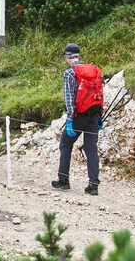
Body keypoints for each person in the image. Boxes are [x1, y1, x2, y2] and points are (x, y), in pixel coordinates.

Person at [52, 43, 103, 195]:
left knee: (65, 144)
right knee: (91, 148)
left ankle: (63, 180)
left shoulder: (69, 73)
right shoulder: (93, 71)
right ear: (78, 55)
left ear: (67, 56)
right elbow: (99, 93)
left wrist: (69, 121)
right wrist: (99, 115)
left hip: (78, 116)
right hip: (93, 115)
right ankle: (93, 185)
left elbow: (69, 99)